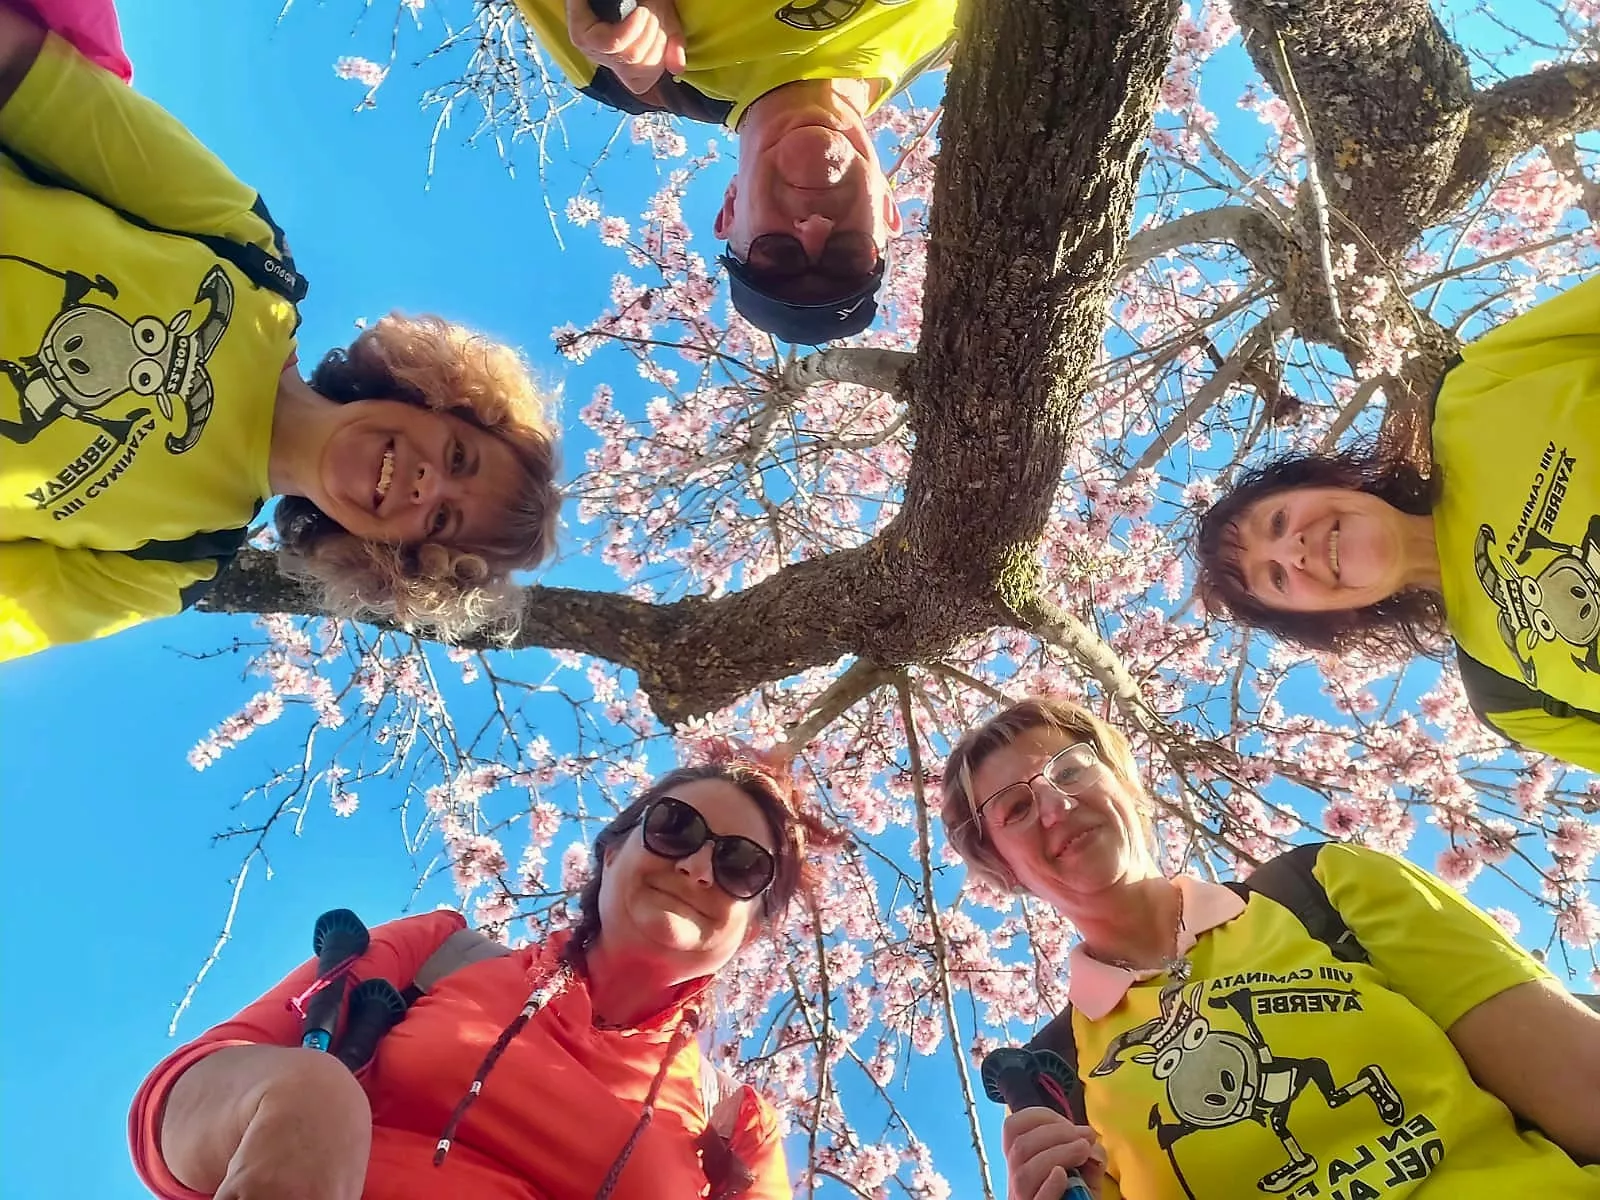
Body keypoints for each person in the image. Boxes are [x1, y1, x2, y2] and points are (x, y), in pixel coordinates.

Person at [0, 5, 561, 661]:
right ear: (437, 401)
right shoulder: (250, 256)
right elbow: (29, 83)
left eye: (440, 520)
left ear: (399, 558)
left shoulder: (170, 566)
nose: (425, 483)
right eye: (459, 457)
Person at [940, 695, 1600, 1200]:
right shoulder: (1060, 1077)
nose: (1054, 805)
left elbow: (1580, 1085)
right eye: (1015, 809)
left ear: (1126, 783)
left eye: (1069, 769)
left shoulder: (1327, 890)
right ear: (1004, 871)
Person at [130, 757, 828, 1200]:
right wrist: (308, 1101)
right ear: (612, 852)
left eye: (741, 867)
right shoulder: (442, 953)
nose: (697, 868)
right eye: (674, 828)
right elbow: (182, 1099)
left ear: (754, 928)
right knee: (314, 1086)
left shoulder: (735, 1127)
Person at [1192, 275, 1600, 770]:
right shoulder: (1508, 699)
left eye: (1277, 521)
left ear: (1321, 482)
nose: (1294, 551)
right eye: (1276, 578)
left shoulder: (1474, 391)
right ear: (1321, 617)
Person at [510, 0, 956, 344]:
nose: (815, 228)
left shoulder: (625, 65)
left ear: (729, 209)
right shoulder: (963, 33)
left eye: (776, 253)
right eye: (847, 256)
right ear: (889, 209)